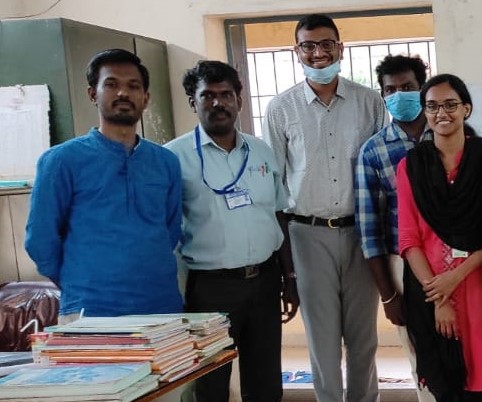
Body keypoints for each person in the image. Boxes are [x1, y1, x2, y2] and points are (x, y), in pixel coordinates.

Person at [263, 14, 387, 402]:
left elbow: (382, 170)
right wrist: (284, 260)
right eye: (308, 46)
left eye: (326, 44)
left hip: (361, 233)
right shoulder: (281, 108)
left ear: (340, 48)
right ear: (296, 51)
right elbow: (275, 184)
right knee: (322, 340)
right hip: (307, 234)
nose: (318, 53)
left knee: (363, 339)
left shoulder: (369, 102)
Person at [164, 60, 295, 402]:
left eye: (226, 94)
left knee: (265, 382)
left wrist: (290, 277)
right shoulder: (172, 158)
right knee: (211, 383)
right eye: (207, 95)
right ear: (193, 102)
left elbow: (278, 214)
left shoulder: (261, 151)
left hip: (265, 281)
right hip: (210, 289)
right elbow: (164, 230)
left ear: (239, 100)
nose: (218, 103)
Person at [24, 48, 183, 323]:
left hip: (161, 307)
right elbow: (40, 240)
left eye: (133, 86)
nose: (123, 93)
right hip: (90, 311)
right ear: (92, 94)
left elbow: (170, 230)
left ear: (146, 98)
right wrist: (80, 281)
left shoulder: (166, 162)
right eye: (111, 84)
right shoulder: (61, 161)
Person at [397, 73, 482, 402]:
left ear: (466, 109)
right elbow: (408, 239)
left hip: (480, 286)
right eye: (432, 106)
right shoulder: (411, 166)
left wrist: (456, 277)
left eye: (450, 104)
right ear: (424, 112)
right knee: (447, 386)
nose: (441, 113)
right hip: (431, 291)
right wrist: (440, 298)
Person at [354, 55, 435, 402]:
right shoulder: (373, 151)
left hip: (454, 258)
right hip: (402, 263)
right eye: (391, 90)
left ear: (423, 88)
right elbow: (369, 231)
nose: (399, 95)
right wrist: (388, 296)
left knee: (464, 348)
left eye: (407, 87)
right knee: (421, 356)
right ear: (382, 95)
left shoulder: (450, 135)